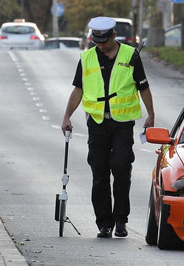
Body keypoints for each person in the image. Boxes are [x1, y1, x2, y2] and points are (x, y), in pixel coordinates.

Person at [61, 16, 155, 239]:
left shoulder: (130, 56)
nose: (100, 46)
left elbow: (143, 87)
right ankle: (104, 223)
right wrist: (66, 116)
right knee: (99, 171)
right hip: (97, 123)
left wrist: (151, 114)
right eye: (96, 42)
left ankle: (121, 220)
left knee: (121, 166)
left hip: (123, 123)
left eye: (104, 41)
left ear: (113, 36)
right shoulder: (86, 58)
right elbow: (78, 90)